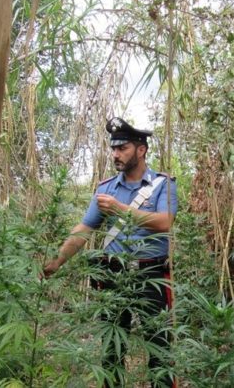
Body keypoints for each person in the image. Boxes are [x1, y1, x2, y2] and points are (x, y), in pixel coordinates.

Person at [43, 117, 178, 388]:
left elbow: (165, 222)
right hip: (112, 274)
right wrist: (56, 261)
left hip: (152, 273)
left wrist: (120, 210)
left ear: (141, 150)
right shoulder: (105, 188)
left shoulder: (163, 185)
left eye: (123, 148)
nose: (115, 154)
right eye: (113, 148)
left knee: (159, 345)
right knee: (112, 347)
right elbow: (84, 228)